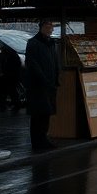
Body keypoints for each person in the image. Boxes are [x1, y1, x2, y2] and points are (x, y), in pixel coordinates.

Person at [23, 20, 60, 152]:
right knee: (38, 114)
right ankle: (37, 140)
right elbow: (32, 64)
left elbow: (55, 62)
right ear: (41, 28)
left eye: (51, 27)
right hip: (37, 85)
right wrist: (43, 79)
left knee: (46, 113)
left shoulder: (51, 43)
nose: (50, 29)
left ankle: (43, 138)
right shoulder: (34, 43)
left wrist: (56, 78)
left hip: (49, 84)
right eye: (48, 27)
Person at [0, 40, 24, 114]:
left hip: (7, 76)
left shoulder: (4, 55)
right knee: (12, 91)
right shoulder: (13, 55)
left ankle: (4, 106)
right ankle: (15, 105)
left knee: (4, 92)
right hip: (11, 76)